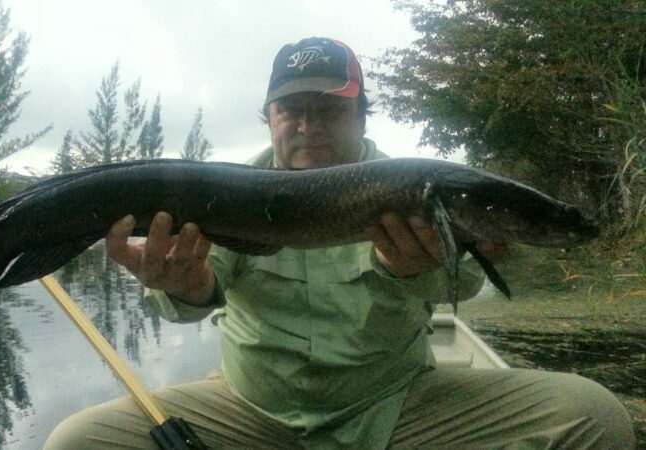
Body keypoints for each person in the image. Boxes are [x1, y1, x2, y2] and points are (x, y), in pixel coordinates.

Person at [45, 37, 635, 449]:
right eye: (291, 110)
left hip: (396, 409)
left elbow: (465, 285)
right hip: (252, 411)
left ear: (361, 115)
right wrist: (187, 287)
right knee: (74, 442)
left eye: (329, 109)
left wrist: (417, 269)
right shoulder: (225, 191)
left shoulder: (414, 185)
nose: (308, 125)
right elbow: (193, 293)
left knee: (594, 415)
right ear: (268, 117)